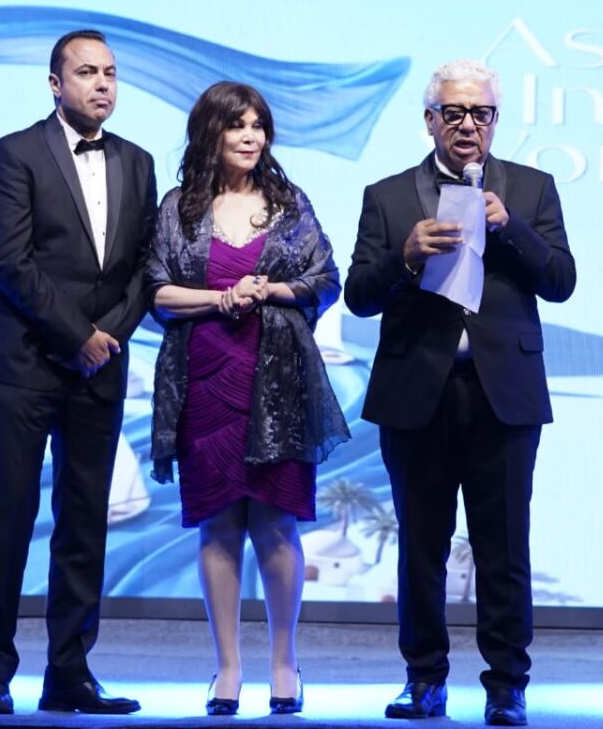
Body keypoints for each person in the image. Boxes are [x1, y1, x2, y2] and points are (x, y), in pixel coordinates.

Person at [345, 59, 575, 726]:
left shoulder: (532, 188)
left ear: (495, 121)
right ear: (430, 120)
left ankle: (507, 685)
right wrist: (406, 255)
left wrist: (512, 228)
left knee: (504, 547)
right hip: (418, 391)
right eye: (454, 113)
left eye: (481, 113)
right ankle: (424, 680)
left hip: (504, 394)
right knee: (422, 546)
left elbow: (561, 281)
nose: (468, 124)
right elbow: (358, 296)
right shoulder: (388, 196)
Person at [0, 29, 157, 716]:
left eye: (110, 73)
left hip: (98, 369)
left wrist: (109, 338)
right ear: (55, 84)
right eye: (86, 72)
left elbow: (146, 267)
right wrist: (79, 336)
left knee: (84, 525)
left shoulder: (138, 161)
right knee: (6, 519)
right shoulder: (15, 153)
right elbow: (10, 261)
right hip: (22, 365)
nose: (102, 84)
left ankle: (70, 674)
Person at [146, 81, 350, 717]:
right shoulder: (179, 208)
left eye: (258, 125)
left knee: (276, 520)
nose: (251, 136)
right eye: (237, 125)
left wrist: (269, 290)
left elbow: (326, 279)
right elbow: (156, 292)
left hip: (278, 380)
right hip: (204, 376)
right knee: (218, 523)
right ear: (210, 132)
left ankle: (285, 664)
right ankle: (228, 669)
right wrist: (221, 298)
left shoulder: (290, 203)